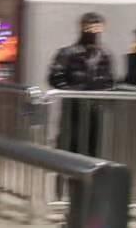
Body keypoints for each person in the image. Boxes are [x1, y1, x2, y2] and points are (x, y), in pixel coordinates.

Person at [49, 11, 114, 162]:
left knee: (92, 146)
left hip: (95, 109)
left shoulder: (104, 55)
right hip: (73, 108)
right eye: (89, 27)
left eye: (97, 27)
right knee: (70, 145)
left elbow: (109, 80)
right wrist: (74, 93)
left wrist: (103, 95)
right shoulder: (67, 53)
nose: (93, 32)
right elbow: (55, 77)